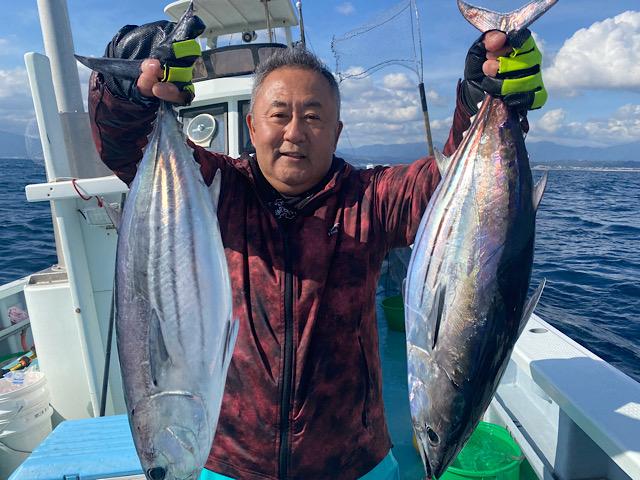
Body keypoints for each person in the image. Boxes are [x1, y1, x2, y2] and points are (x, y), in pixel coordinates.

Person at [89, 13, 546, 480]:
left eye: (313, 117)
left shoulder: (370, 198)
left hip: (353, 463)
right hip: (229, 462)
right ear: (252, 126)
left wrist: (480, 96)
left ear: (337, 131)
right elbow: (127, 147)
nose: (295, 132)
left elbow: (452, 188)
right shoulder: (218, 189)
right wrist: (128, 87)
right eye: (279, 115)